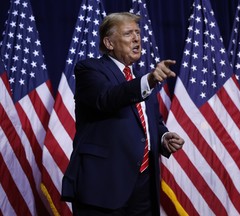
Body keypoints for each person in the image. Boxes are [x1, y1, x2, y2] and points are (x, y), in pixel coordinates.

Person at [61, 12, 185, 216]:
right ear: (109, 43)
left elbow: (151, 121)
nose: (137, 38)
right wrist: (149, 81)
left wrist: (163, 137)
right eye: (128, 33)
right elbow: (106, 98)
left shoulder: (141, 78)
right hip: (103, 186)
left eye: (138, 32)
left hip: (144, 187)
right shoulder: (89, 69)